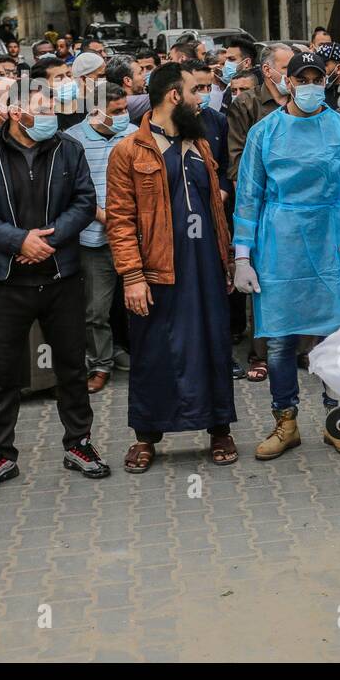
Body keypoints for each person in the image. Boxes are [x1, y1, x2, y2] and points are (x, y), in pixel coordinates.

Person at [0, 83, 104, 495]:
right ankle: (0, 454)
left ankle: (79, 444)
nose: (51, 115)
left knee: (72, 367)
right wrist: (18, 240)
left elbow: (84, 201)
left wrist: (48, 242)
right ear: (15, 113)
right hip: (5, 280)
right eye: (41, 108)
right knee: (1, 374)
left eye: (53, 107)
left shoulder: (68, 149)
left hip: (60, 276)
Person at [105, 63, 238, 472]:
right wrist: (132, 275)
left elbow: (216, 211)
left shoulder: (199, 146)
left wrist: (228, 261)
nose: (202, 100)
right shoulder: (129, 151)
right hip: (157, 271)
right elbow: (121, 219)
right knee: (154, 352)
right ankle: (146, 436)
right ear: (174, 96)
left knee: (213, 345)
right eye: (195, 91)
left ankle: (219, 428)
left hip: (205, 269)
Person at [233, 52, 340, 462]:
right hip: (279, 242)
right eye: (302, 78)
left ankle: (337, 420)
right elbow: (249, 195)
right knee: (280, 338)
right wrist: (242, 256)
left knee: (335, 335)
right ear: (287, 82)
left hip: (332, 239)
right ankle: (285, 422)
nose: (309, 85)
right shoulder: (264, 132)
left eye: (316, 78)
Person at [64, 82, 135, 395]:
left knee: (143, 303)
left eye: (124, 110)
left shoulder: (135, 134)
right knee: (96, 309)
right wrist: (102, 214)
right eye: (115, 111)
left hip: (135, 236)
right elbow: (71, 190)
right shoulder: (72, 140)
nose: (122, 117)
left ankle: (148, 358)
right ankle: (100, 364)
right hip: (93, 239)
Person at [227, 42, 291, 182]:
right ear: (267, 70)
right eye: (286, 68)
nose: (292, 73)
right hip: (261, 186)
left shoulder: (298, 101)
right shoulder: (246, 103)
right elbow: (237, 156)